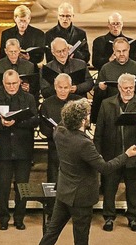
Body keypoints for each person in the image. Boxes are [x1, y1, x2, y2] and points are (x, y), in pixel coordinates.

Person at [38, 98, 136, 245]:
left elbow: (64, 121)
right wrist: (126, 155)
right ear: (82, 119)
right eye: (87, 115)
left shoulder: (59, 132)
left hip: (64, 192)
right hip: (81, 197)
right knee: (81, 240)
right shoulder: (84, 144)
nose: (89, 118)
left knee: (52, 231)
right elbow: (105, 168)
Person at [95, 73, 136, 232]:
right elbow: (99, 131)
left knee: (132, 189)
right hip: (111, 154)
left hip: (134, 154)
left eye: (131, 88)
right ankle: (109, 217)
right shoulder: (107, 104)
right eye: (125, 88)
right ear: (119, 88)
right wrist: (98, 154)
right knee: (109, 188)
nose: (128, 91)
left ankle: (133, 218)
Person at [0, 69, 38, 230]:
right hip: (3, 149)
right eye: (8, 84)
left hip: (23, 149)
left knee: (22, 188)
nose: (11, 86)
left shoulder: (29, 98)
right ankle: (3, 219)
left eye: (14, 83)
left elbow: (35, 120)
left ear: (20, 82)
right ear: (3, 84)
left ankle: (19, 218)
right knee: (2, 187)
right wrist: (2, 124)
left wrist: (16, 122)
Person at [39, 74, 83, 220]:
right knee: (53, 179)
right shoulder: (47, 104)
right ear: (55, 86)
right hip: (55, 148)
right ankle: (52, 211)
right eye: (60, 87)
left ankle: (74, 209)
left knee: (74, 180)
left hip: (75, 149)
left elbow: (85, 124)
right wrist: (53, 132)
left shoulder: (78, 102)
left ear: (70, 88)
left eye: (66, 88)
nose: (63, 91)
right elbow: (43, 128)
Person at [91, 37, 136, 123]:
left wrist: (133, 84)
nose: (121, 54)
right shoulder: (106, 68)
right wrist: (101, 88)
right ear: (114, 51)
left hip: (132, 109)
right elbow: (97, 91)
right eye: (118, 51)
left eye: (124, 51)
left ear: (129, 49)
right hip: (111, 109)